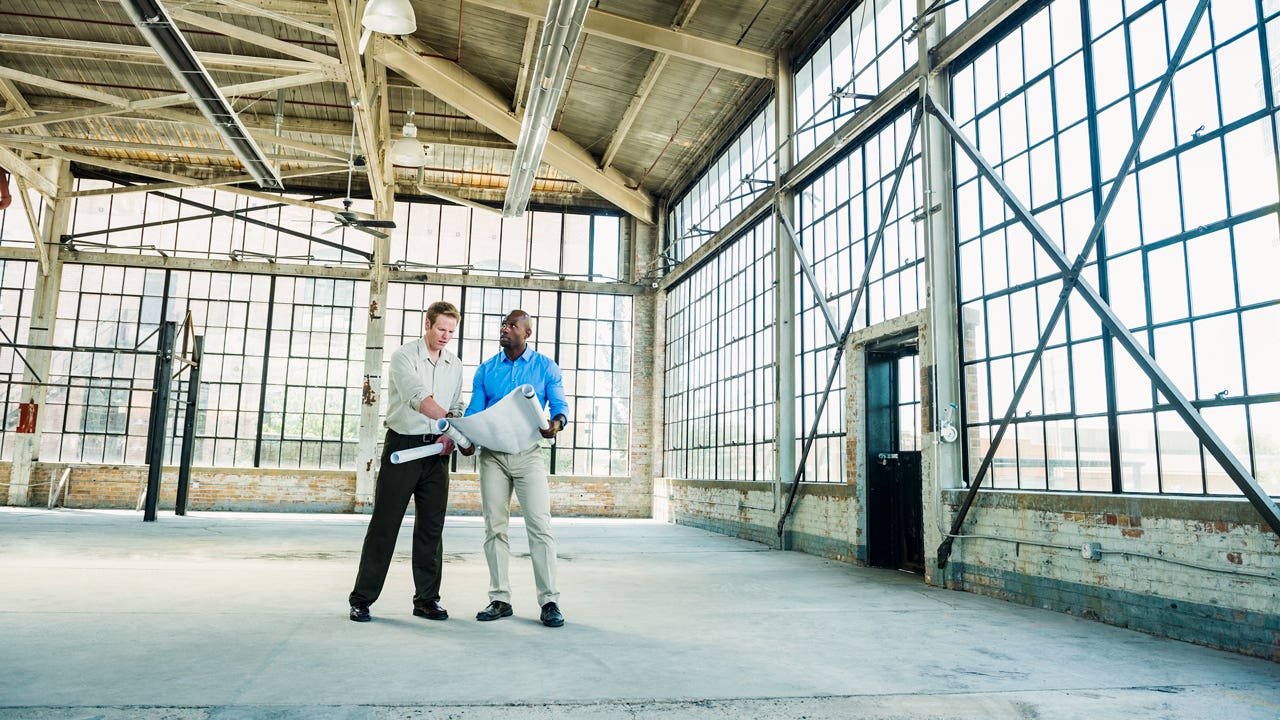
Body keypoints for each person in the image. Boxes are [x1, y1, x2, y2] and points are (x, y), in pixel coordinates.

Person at [349, 300, 464, 623]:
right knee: (385, 525)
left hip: (438, 453)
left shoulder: (454, 365)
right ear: (427, 324)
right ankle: (362, 599)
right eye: (441, 328)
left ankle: (427, 600)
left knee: (431, 529)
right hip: (404, 448)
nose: (445, 336)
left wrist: (450, 434)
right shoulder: (404, 357)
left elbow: (456, 404)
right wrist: (451, 425)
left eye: (451, 331)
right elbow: (419, 399)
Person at [466, 310, 570, 628]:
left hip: (528, 455)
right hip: (492, 457)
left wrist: (555, 424)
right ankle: (500, 599)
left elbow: (560, 407)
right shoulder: (486, 370)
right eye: (503, 324)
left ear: (528, 333)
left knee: (540, 527)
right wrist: (465, 435)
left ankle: (549, 601)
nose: (505, 329)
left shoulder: (545, 367)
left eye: (513, 325)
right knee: (494, 528)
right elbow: (474, 410)